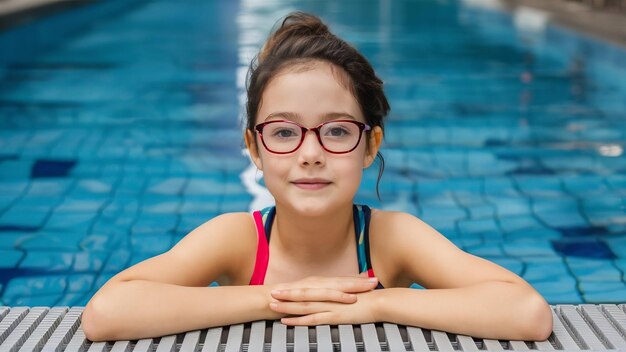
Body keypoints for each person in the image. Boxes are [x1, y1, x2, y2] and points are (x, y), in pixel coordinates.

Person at [81, 11, 553, 342]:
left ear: (370, 146)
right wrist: (277, 299)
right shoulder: (237, 240)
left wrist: (375, 305)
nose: (310, 154)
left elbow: (525, 313)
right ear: (254, 149)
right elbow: (107, 314)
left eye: (337, 131)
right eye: (284, 132)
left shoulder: (392, 239)